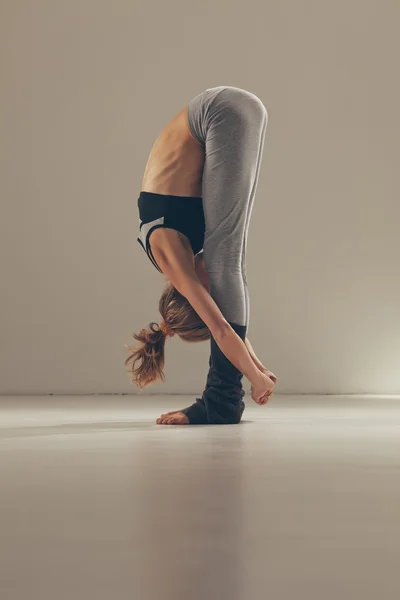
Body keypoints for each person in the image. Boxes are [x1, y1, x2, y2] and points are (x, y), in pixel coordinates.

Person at [125, 86, 277, 425]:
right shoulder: (183, 262)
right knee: (225, 264)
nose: (215, 293)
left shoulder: (169, 253)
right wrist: (257, 367)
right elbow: (225, 325)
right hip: (236, 110)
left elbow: (221, 327)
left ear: (192, 294)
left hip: (217, 113)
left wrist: (254, 379)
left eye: (210, 298)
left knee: (226, 264)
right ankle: (223, 399)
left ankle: (221, 401)